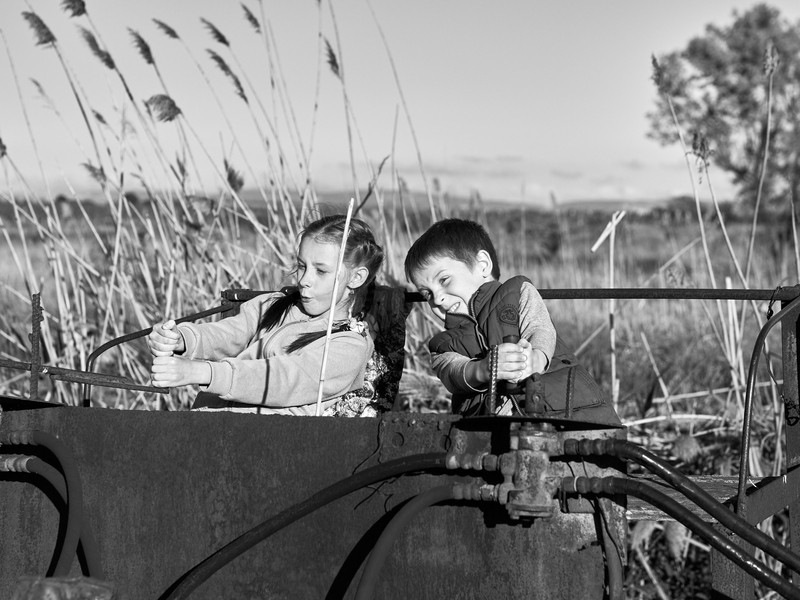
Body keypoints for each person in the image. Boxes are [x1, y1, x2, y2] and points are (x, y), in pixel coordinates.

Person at [147, 214, 385, 416]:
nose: (304, 280)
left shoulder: (349, 346)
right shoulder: (273, 305)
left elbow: (284, 380)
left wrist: (202, 372)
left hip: (264, 446)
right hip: (207, 424)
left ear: (356, 278)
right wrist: (182, 339)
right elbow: (229, 333)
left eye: (320, 271)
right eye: (302, 266)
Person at [405, 218, 620, 425]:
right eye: (427, 294)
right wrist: (483, 369)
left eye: (444, 280)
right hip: (494, 436)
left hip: (568, 414)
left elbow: (540, 329)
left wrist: (535, 359)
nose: (438, 298)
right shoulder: (442, 345)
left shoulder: (517, 292)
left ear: (482, 265)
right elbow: (453, 373)